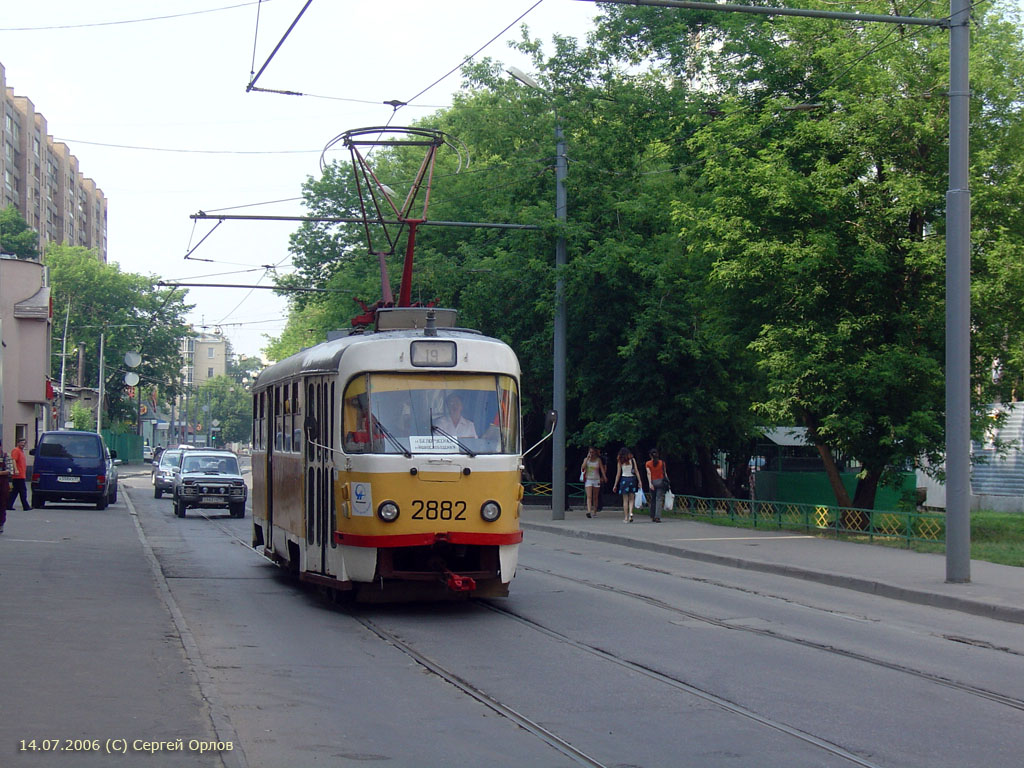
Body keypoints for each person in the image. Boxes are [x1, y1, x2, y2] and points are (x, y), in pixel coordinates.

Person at [612, 446, 642, 523]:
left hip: (624, 480)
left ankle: (626, 517)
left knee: (625, 500)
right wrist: (639, 481)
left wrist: (615, 485)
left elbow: (618, 474)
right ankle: (631, 514)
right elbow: (636, 471)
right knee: (632, 499)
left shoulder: (620, 461)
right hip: (632, 479)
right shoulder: (632, 460)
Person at [580, 447, 607, 519]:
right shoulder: (586, 460)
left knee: (595, 497)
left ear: (595, 453)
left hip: (596, 479)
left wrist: (604, 477)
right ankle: (589, 511)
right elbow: (582, 467)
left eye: (592, 452)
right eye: (590, 452)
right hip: (588, 479)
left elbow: (602, 469)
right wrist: (587, 459)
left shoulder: (598, 460)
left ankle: (594, 511)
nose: (591, 454)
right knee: (589, 496)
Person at [645, 448, 670, 522]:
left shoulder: (648, 463)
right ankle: (657, 517)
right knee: (659, 499)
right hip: (661, 482)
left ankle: (652, 516)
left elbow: (648, 473)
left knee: (653, 499)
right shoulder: (662, 463)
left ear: (650, 455)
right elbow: (665, 473)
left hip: (653, 482)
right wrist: (668, 482)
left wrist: (650, 483)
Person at [8, 438, 30, 511]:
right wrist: (16, 470)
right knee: (23, 491)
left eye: (24, 443)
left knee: (15, 491)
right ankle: (26, 506)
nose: (23, 444)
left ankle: (9, 505)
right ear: (18, 443)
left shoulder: (21, 451)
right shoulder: (16, 450)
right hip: (18, 475)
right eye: (21, 443)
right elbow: (13, 460)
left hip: (21, 474)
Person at [0, 440, 9, 533]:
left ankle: (1, 523)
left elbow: (10, 470)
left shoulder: (6, 456)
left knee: (2, 505)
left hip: (2, 484)